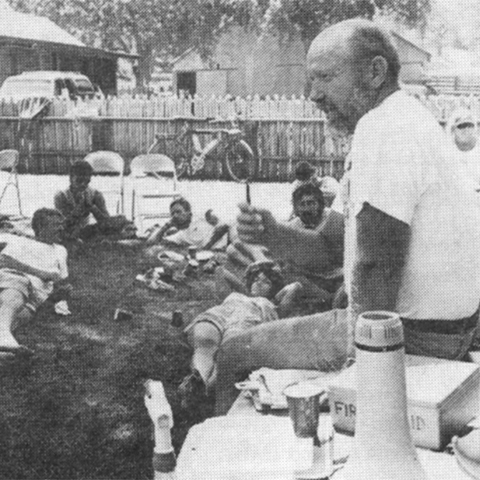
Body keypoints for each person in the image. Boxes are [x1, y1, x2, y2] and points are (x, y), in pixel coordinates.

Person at [214, 18, 480, 415]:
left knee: (234, 353)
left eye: (325, 77)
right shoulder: (399, 120)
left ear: (375, 72)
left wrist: (365, 380)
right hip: (439, 330)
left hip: (409, 337)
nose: (313, 94)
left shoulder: (384, 129)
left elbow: (375, 268)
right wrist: (272, 232)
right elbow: (330, 246)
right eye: (311, 80)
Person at [178, 261, 302, 408]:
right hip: (219, 315)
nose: (259, 283)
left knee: (227, 355)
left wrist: (274, 290)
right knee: (205, 344)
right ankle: (198, 382)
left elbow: (295, 287)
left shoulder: (273, 305)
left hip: (246, 322)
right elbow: (220, 272)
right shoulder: (235, 295)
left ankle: (203, 389)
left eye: (266, 282)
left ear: (274, 288)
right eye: (256, 280)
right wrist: (252, 275)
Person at [0, 208, 70, 355]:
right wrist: (41, 273)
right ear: (40, 227)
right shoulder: (21, 242)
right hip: (9, 284)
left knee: (20, 316)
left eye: (61, 224)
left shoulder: (60, 250)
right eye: (56, 225)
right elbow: (4, 261)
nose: (61, 228)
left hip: (31, 301)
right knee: (20, 281)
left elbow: (62, 282)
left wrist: (59, 300)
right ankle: (4, 338)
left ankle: (5, 353)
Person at [54, 160, 110, 240]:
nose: (83, 185)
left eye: (87, 182)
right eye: (79, 181)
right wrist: (75, 214)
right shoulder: (62, 196)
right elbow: (59, 224)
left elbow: (108, 223)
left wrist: (94, 209)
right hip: (67, 234)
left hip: (86, 233)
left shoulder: (95, 194)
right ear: (71, 178)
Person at [145, 197, 229, 250]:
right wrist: (165, 227)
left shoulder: (203, 216)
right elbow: (151, 243)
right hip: (213, 254)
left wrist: (207, 247)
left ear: (188, 212)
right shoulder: (181, 235)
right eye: (172, 213)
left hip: (228, 243)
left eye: (178, 212)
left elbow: (224, 226)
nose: (175, 216)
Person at [447, 108, 480, 190]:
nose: (466, 130)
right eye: (461, 126)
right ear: (452, 130)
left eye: (469, 126)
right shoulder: (446, 155)